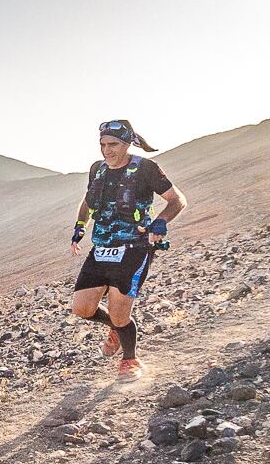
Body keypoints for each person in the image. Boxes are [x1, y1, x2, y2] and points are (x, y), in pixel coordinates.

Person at [70, 120, 188, 383]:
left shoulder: (146, 168)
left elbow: (177, 200)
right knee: (82, 308)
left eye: (113, 144)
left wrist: (160, 222)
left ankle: (130, 359)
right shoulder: (97, 170)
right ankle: (116, 329)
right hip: (101, 248)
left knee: (121, 313)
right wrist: (80, 227)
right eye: (102, 144)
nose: (106, 150)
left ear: (128, 144)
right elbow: (87, 203)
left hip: (135, 247)